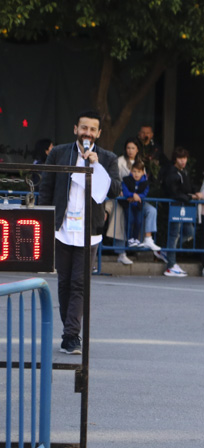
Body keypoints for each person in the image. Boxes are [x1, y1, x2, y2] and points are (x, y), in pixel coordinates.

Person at [37, 109, 121, 354]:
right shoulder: (59, 153)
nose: (88, 133)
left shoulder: (107, 158)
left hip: (89, 230)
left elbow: (115, 190)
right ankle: (70, 329)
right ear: (76, 129)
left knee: (79, 283)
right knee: (64, 283)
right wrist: (45, 223)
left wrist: (96, 165)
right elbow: (46, 189)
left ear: (99, 133)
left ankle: (71, 335)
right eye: (84, 128)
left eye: (93, 129)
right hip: (62, 229)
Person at [162, 147, 201, 277]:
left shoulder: (184, 172)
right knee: (175, 234)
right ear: (175, 159)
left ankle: (167, 251)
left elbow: (188, 187)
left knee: (190, 232)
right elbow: (174, 192)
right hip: (176, 205)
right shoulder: (172, 172)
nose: (183, 161)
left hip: (183, 205)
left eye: (184, 158)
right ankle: (171, 265)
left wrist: (195, 192)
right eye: (180, 158)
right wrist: (191, 197)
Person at [118, 158, 162, 262]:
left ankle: (136, 239)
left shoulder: (145, 183)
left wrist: (137, 197)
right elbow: (125, 191)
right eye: (134, 171)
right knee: (130, 220)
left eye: (139, 172)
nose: (136, 174)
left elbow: (144, 194)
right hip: (128, 204)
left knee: (139, 221)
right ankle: (130, 239)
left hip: (138, 205)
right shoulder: (126, 180)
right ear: (131, 171)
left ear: (143, 172)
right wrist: (133, 195)